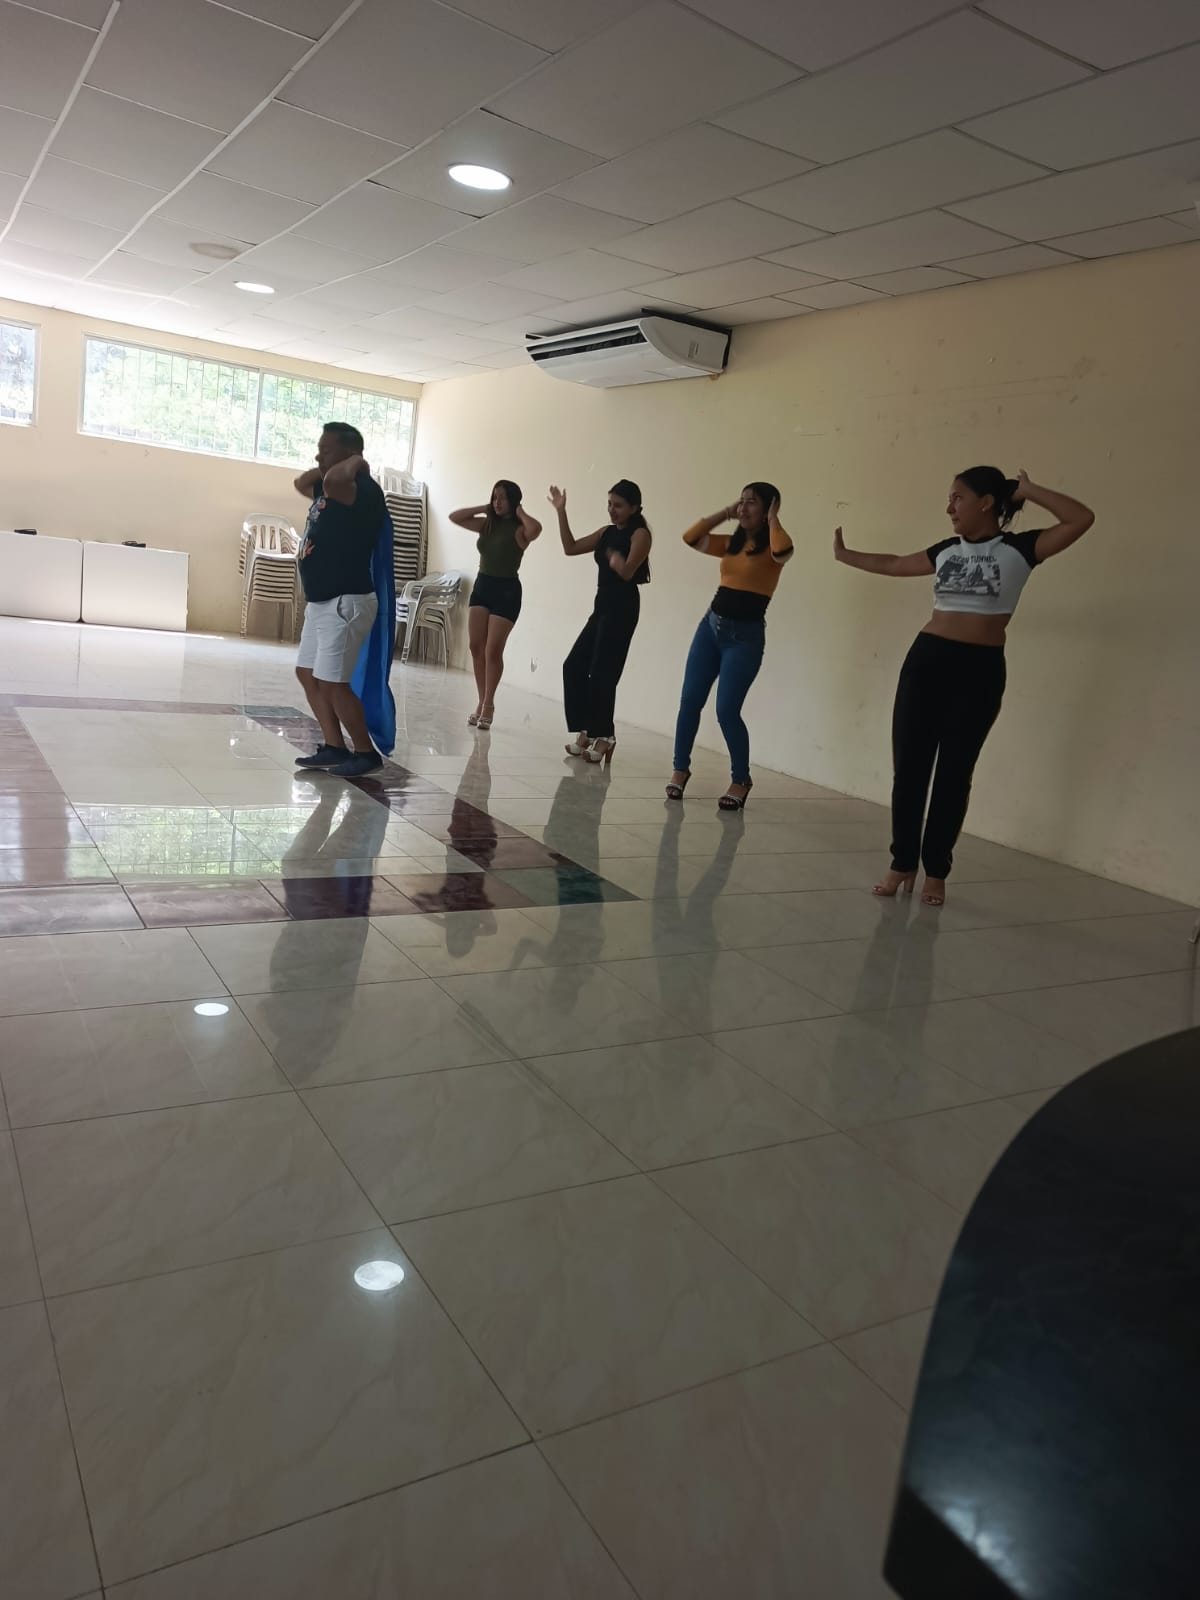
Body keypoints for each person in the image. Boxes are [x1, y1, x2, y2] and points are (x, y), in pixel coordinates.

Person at [834, 466, 1095, 907]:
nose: (949, 507)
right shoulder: (945, 550)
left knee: (954, 774)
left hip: (979, 670)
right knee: (910, 770)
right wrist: (846, 555)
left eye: (957, 497)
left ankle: (936, 871)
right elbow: (895, 563)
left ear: (986, 502)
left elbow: (1080, 519)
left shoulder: (1021, 548)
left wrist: (1029, 490)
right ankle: (902, 862)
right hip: (926, 662)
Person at [667, 482, 792, 811]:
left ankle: (741, 779)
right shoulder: (731, 544)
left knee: (726, 711)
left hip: (744, 639)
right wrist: (726, 512)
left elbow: (784, 550)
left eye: (753, 503)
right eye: (742, 501)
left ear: (768, 509)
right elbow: (690, 537)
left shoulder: (773, 548)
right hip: (710, 629)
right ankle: (680, 769)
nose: (744, 508)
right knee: (689, 701)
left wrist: (773, 519)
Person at [291, 421, 389, 777]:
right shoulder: (330, 482)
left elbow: (332, 481)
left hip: (346, 600)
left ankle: (366, 754)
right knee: (307, 673)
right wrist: (329, 461)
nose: (318, 456)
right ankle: (334, 746)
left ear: (350, 454)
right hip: (322, 601)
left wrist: (356, 462)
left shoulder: (360, 488)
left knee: (333, 682)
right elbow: (301, 483)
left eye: (326, 450)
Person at [549, 478, 651, 766]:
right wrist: (561, 511)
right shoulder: (606, 532)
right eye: (609, 504)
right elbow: (570, 547)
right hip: (602, 605)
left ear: (634, 508)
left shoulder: (641, 534)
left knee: (603, 673)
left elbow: (628, 572)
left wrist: (618, 562)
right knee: (573, 665)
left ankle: (605, 736)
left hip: (623, 607)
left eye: (618, 505)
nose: (611, 510)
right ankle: (586, 729)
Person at [449, 480, 541, 730]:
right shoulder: (487, 524)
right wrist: (485, 507)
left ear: (514, 501)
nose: (497, 502)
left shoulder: (520, 530)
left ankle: (488, 703)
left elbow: (536, 529)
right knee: (475, 646)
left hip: (507, 591)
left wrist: (519, 511)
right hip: (483, 586)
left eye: (503, 498)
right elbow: (455, 517)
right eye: (494, 497)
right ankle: (481, 700)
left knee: (493, 650)